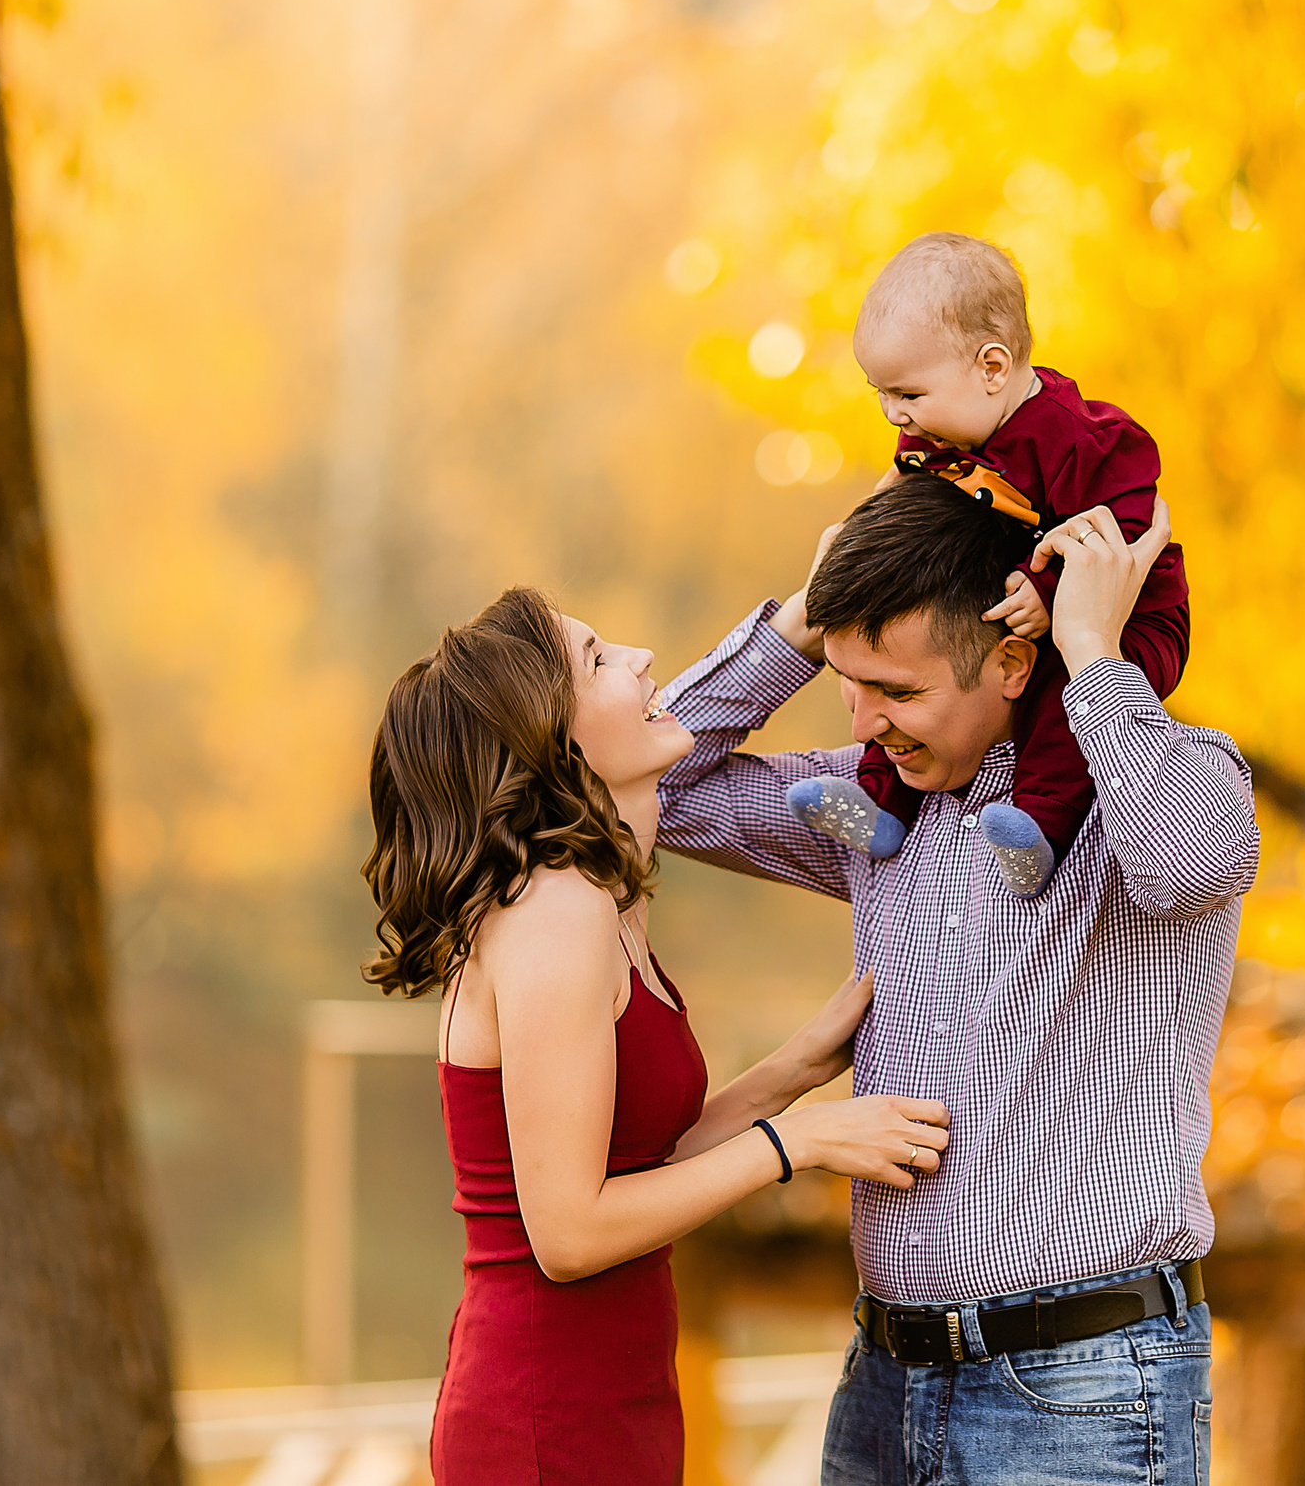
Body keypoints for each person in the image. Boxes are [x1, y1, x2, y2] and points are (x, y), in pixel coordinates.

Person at [657, 475, 1259, 1486]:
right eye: (847, 681)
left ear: (1014, 660)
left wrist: (1093, 652)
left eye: (898, 692)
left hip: (1082, 1395)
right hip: (885, 1383)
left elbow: (1194, 864)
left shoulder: (1151, 789)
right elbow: (646, 786)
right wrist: (803, 621)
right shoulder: (871, 808)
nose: (865, 721)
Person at [359, 586, 953, 1486]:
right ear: (551, 740)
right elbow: (568, 1232)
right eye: (597, 659)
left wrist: (791, 1071)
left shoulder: (599, 899)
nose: (640, 659)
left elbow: (642, 1164)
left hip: (613, 1397)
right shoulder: (554, 911)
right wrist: (798, 1142)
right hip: (545, 1417)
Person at [785, 231, 1189, 898]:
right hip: (1016, 620)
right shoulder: (947, 427)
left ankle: (1041, 825)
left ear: (993, 368)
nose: (894, 413)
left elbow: (1124, 531)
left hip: (1124, 622)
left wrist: (1049, 591)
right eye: (879, 392)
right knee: (892, 669)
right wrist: (859, 548)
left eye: (907, 393)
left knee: (1059, 698)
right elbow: (903, 487)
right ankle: (879, 803)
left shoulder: (1078, 439)